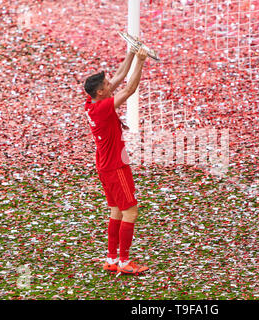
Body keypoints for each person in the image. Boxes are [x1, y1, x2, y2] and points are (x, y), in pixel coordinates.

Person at [83, 46, 148, 275]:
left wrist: (131, 53)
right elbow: (129, 88)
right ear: (101, 93)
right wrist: (141, 61)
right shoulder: (102, 108)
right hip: (115, 166)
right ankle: (124, 262)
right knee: (130, 211)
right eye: (107, 85)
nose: (111, 84)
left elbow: (120, 77)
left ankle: (111, 258)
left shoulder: (92, 104)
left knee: (116, 211)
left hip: (104, 165)